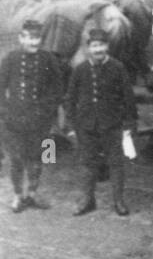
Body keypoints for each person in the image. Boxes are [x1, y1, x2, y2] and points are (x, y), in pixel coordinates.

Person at [66, 28, 134, 216]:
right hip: (86, 126)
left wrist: (128, 126)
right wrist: (71, 127)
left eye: (102, 45)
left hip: (112, 125)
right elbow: (70, 99)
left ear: (107, 47)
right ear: (88, 48)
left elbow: (128, 97)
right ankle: (88, 201)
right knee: (87, 163)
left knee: (116, 163)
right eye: (94, 46)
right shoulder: (80, 70)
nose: (98, 50)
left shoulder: (118, 68)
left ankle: (119, 201)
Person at [0, 20, 64, 212]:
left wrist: (49, 110)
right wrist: (3, 111)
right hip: (15, 119)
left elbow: (58, 87)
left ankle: (33, 195)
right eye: (29, 38)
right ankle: (18, 196)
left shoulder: (48, 59)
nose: (34, 42)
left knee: (40, 158)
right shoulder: (11, 58)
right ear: (21, 38)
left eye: (37, 38)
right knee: (16, 159)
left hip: (40, 120)